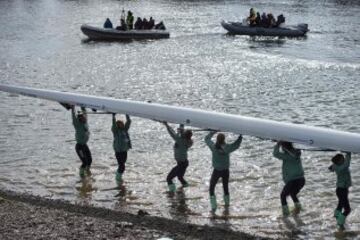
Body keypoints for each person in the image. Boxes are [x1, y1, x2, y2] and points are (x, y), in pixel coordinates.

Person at [205, 131, 242, 212]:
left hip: (217, 171)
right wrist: (240, 136)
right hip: (225, 171)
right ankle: (227, 205)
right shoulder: (228, 148)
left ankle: (214, 206)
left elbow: (206, 139)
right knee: (225, 187)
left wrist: (213, 132)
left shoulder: (213, 147)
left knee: (212, 188)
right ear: (224, 139)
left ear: (217, 140)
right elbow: (236, 145)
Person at [273, 141, 305, 216]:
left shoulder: (287, 156)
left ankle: (286, 213)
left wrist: (278, 144)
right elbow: (296, 149)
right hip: (301, 180)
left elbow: (275, 154)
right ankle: (298, 207)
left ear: (284, 147)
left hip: (293, 180)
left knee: (283, 195)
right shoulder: (297, 153)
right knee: (293, 193)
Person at [163, 122, 193, 192]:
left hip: (181, 164)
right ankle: (185, 188)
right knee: (180, 177)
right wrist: (181, 124)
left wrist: (167, 125)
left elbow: (171, 133)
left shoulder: (180, 140)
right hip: (184, 163)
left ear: (184, 135)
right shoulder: (188, 141)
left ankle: (172, 192)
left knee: (169, 178)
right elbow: (180, 133)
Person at [329, 152, 351, 230]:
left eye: (344, 158)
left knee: (340, 205)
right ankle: (340, 223)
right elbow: (347, 163)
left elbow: (330, 168)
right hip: (342, 190)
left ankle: (337, 217)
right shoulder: (342, 167)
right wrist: (349, 153)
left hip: (340, 189)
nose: (344, 160)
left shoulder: (336, 166)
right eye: (343, 159)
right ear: (339, 161)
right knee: (347, 209)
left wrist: (332, 166)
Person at [71, 106, 92, 177]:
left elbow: (85, 113)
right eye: (82, 118)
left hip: (85, 145)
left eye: (84, 117)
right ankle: (81, 175)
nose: (84, 118)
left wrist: (82, 106)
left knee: (90, 160)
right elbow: (73, 117)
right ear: (79, 119)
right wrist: (72, 108)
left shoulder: (85, 122)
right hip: (79, 147)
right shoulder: (77, 125)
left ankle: (87, 171)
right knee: (84, 162)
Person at [112, 113, 132, 183]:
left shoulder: (125, 130)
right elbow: (113, 126)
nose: (120, 125)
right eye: (118, 124)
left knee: (122, 165)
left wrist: (127, 113)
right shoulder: (116, 132)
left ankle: (119, 176)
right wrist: (113, 117)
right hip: (118, 152)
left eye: (121, 123)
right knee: (122, 166)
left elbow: (129, 121)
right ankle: (117, 178)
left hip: (124, 151)